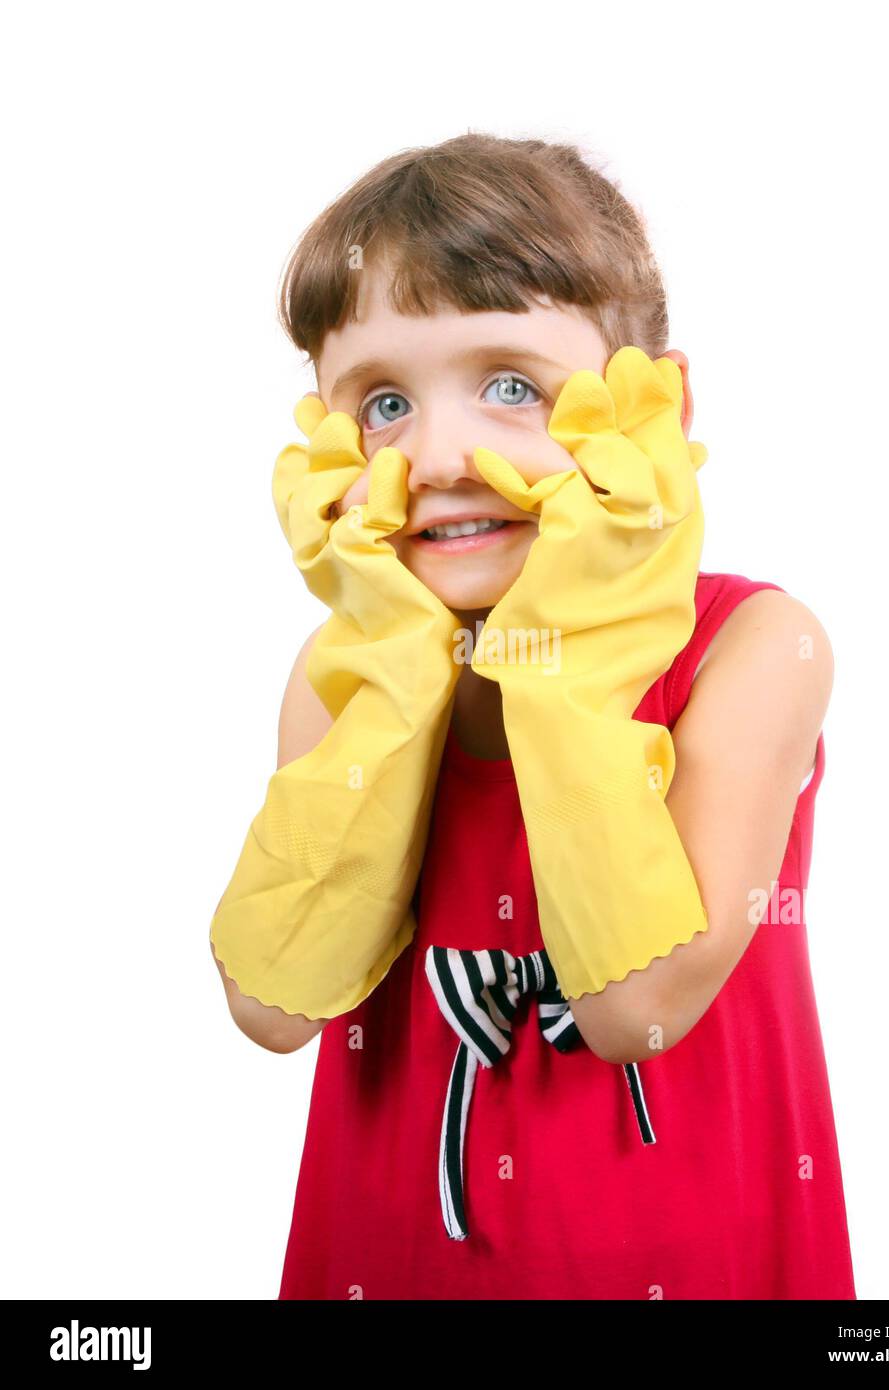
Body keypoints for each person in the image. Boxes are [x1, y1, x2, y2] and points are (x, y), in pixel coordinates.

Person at [210, 131, 856, 1299]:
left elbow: (630, 1009)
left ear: (656, 407)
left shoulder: (754, 650)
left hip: (674, 1239)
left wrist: (561, 645)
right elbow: (272, 1003)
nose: (442, 454)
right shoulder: (341, 671)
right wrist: (396, 672)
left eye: (513, 387)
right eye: (383, 405)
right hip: (396, 1244)